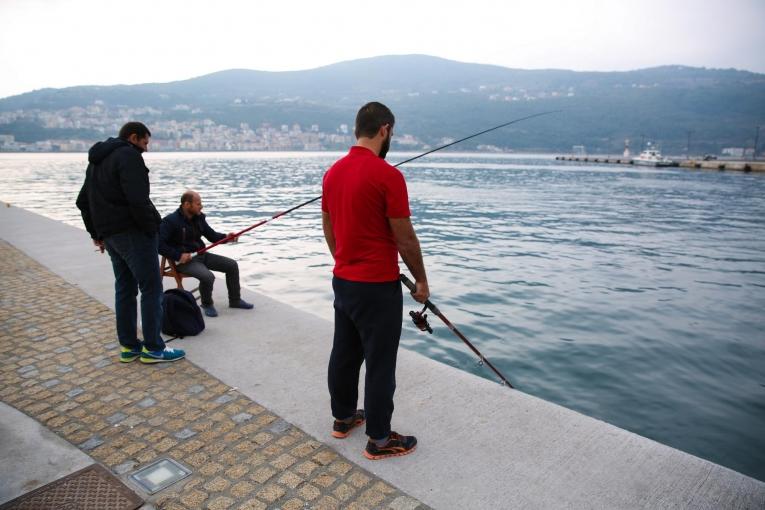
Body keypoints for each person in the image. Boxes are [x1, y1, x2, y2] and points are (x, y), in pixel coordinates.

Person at [321, 101, 430, 460]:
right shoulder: (388, 176)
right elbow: (405, 238)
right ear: (384, 129)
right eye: (391, 133)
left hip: (344, 280)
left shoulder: (333, 173)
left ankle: (342, 418)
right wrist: (421, 281)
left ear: (358, 130)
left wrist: (342, 260)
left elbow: (329, 226)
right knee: (380, 363)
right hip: (378, 287)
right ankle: (380, 439)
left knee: (345, 352)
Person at [76, 122, 185, 364]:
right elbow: (139, 200)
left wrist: (97, 233)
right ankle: (154, 348)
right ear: (133, 137)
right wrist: (151, 230)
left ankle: (129, 346)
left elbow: (83, 201)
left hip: (111, 236)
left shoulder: (96, 161)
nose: (146, 149)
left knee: (124, 289)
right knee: (151, 289)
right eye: (145, 143)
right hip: (134, 234)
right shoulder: (129, 156)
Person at [158, 190, 254, 317]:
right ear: (187, 205)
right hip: (185, 261)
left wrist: (227, 237)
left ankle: (235, 300)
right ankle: (207, 303)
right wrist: (178, 256)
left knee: (231, 265)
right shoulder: (170, 221)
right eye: (198, 204)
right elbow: (159, 245)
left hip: (201, 255)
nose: (201, 206)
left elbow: (212, 236)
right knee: (208, 277)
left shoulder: (199, 218)